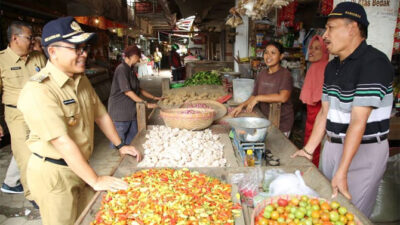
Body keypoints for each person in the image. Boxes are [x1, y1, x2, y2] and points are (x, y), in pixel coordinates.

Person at [17, 17, 142, 225]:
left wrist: (120, 145)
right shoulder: (39, 90)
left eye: (84, 48)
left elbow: (100, 114)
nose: (84, 54)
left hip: (80, 165)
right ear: (53, 51)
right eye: (76, 48)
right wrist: (95, 179)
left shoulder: (80, 79)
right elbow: (62, 141)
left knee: (88, 218)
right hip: (54, 174)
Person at [291, 2, 393, 217]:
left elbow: (359, 122)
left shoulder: (374, 63)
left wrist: (342, 171)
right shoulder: (333, 66)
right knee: (327, 211)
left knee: (350, 213)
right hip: (333, 146)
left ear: (352, 28)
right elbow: (324, 112)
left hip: (363, 151)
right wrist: (308, 150)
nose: (325, 35)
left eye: (331, 28)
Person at [0, 21, 46, 205]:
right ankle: (33, 195)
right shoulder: (2, 60)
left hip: (40, 112)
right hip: (17, 115)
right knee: (25, 156)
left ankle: (44, 187)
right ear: (15, 38)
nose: (32, 41)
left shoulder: (37, 58)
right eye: (29, 37)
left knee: (44, 152)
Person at [231, 42, 294, 136]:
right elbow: (254, 95)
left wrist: (258, 98)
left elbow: (283, 97)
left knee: (277, 148)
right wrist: (241, 106)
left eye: (273, 53)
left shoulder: (285, 75)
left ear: (281, 56)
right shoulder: (262, 73)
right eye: (266, 52)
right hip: (264, 119)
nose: (268, 56)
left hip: (281, 123)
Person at [108, 45, 161, 146]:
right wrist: (146, 104)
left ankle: (129, 157)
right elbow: (127, 91)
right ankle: (123, 159)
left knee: (133, 141)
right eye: (138, 56)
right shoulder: (121, 69)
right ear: (131, 56)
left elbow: (138, 89)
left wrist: (154, 98)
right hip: (120, 113)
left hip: (131, 111)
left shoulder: (131, 70)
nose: (139, 59)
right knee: (120, 144)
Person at [299, 35, 329, 167]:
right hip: (313, 112)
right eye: (310, 47)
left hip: (319, 112)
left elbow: (322, 99)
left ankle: (312, 169)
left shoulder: (323, 67)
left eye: (317, 48)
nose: (311, 51)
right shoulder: (314, 66)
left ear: (325, 51)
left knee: (314, 143)